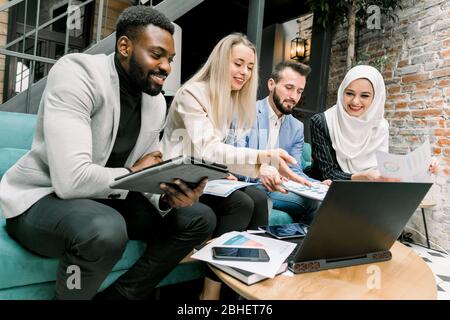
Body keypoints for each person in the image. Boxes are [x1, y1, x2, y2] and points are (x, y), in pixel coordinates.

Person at [0, 6, 216, 300]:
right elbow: (70, 180)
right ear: (124, 46)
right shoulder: (77, 74)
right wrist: (132, 173)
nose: (166, 67)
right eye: (156, 55)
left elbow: (148, 167)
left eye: (170, 59)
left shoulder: (155, 103)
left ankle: (120, 297)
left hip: (107, 197)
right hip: (43, 198)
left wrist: (167, 194)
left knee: (198, 217)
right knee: (105, 228)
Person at [161, 33, 309, 300]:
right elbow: (209, 148)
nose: (244, 72)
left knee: (255, 196)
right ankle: (210, 294)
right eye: (238, 63)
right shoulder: (192, 94)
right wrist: (265, 159)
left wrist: (257, 167)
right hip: (180, 179)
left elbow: (220, 156)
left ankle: (244, 288)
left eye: (250, 67)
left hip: (207, 178)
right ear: (220, 61)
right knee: (241, 202)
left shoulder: (230, 100)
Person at [235, 61, 327, 225]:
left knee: (330, 199)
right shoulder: (246, 112)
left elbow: (295, 170)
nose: (294, 97)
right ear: (272, 84)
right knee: (314, 204)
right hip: (252, 184)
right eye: (289, 88)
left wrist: (318, 185)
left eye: (299, 91)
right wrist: (262, 170)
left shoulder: (296, 127)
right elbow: (235, 160)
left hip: (282, 185)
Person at [310, 65, 438, 181]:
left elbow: (382, 169)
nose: (355, 102)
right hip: (325, 189)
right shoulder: (322, 122)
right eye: (349, 93)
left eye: (364, 96)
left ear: (375, 98)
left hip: (367, 190)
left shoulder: (380, 126)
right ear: (342, 92)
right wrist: (363, 176)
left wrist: (422, 167)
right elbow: (327, 174)